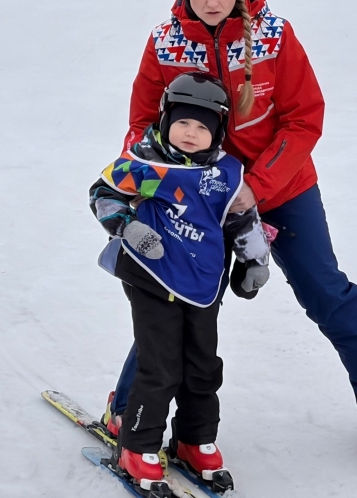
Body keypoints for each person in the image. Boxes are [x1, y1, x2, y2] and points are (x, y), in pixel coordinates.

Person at [103, 0, 357, 447]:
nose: (213, 0)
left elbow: (303, 117)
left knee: (324, 289)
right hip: (194, 196)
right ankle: (127, 409)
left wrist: (257, 186)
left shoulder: (273, 34)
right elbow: (140, 123)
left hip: (282, 189)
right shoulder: (165, 44)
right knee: (175, 296)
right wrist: (143, 175)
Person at [89, 72, 270, 495]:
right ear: (166, 119)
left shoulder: (223, 175)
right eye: (183, 123)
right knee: (161, 366)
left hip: (203, 282)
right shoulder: (152, 166)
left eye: (203, 127)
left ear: (218, 132)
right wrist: (128, 228)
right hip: (152, 276)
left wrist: (253, 261)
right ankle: (137, 446)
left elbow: (241, 218)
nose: (191, 134)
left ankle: (194, 439)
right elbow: (104, 193)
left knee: (204, 366)